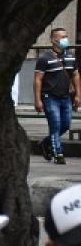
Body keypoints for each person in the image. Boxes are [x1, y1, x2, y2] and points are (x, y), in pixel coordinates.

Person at [36, 26, 78, 165]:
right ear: (54, 40)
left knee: (65, 125)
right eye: (62, 37)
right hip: (50, 97)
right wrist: (38, 100)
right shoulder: (45, 58)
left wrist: (78, 95)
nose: (65, 39)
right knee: (55, 125)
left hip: (65, 97)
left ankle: (45, 143)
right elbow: (38, 79)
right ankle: (58, 154)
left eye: (66, 36)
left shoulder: (71, 56)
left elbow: (76, 76)